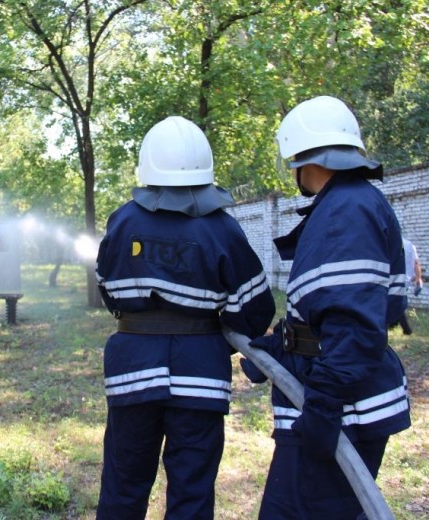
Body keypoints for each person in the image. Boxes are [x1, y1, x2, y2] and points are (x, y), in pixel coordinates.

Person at [95, 115, 276, 519]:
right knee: (192, 493)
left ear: (149, 166)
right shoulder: (224, 229)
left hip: (132, 369)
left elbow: (105, 286)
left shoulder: (123, 220)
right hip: (201, 375)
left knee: (124, 485)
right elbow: (256, 307)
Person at [240, 96, 412, 519]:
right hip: (334, 402)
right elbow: (329, 311)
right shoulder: (346, 204)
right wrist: (281, 346)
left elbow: (354, 325)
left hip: (340, 412)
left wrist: (322, 408)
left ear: (305, 157)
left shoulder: (345, 212)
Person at [396, 236, 423, 334]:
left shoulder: (391, 243)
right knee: (398, 302)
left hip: (394, 278)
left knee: (396, 303)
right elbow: (416, 263)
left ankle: (406, 329)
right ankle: (405, 329)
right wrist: (418, 278)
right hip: (406, 279)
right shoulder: (410, 245)